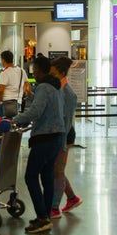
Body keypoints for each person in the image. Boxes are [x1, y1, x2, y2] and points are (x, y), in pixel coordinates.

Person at [12, 56, 66, 234]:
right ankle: (46, 216)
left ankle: (42, 218)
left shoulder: (44, 86)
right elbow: (46, 106)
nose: (33, 74)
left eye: (34, 71)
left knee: (30, 176)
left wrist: (14, 120)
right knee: (47, 176)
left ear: (42, 71)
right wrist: (31, 96)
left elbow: (36, 111)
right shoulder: (55, 87)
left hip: (45, 138)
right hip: (56, 137)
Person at [50, 57, 83, 215]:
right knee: (57, 170)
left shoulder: (68, 93)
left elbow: (67, 121)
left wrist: (60, 141)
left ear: (61, 73)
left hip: (64, 136)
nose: (51, 76)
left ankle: (54, 207)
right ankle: (72, 198)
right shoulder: (57, 88)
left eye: (54, 73)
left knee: (58, 171)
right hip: (57, 134)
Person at [0, 50, 31, 117]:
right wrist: (23, 93)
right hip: (18, 102)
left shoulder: (4, 73)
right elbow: (27, 85)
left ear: (3, 60)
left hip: (6, 103)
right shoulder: (21, 71)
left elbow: (0, 90)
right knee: (11, 121)